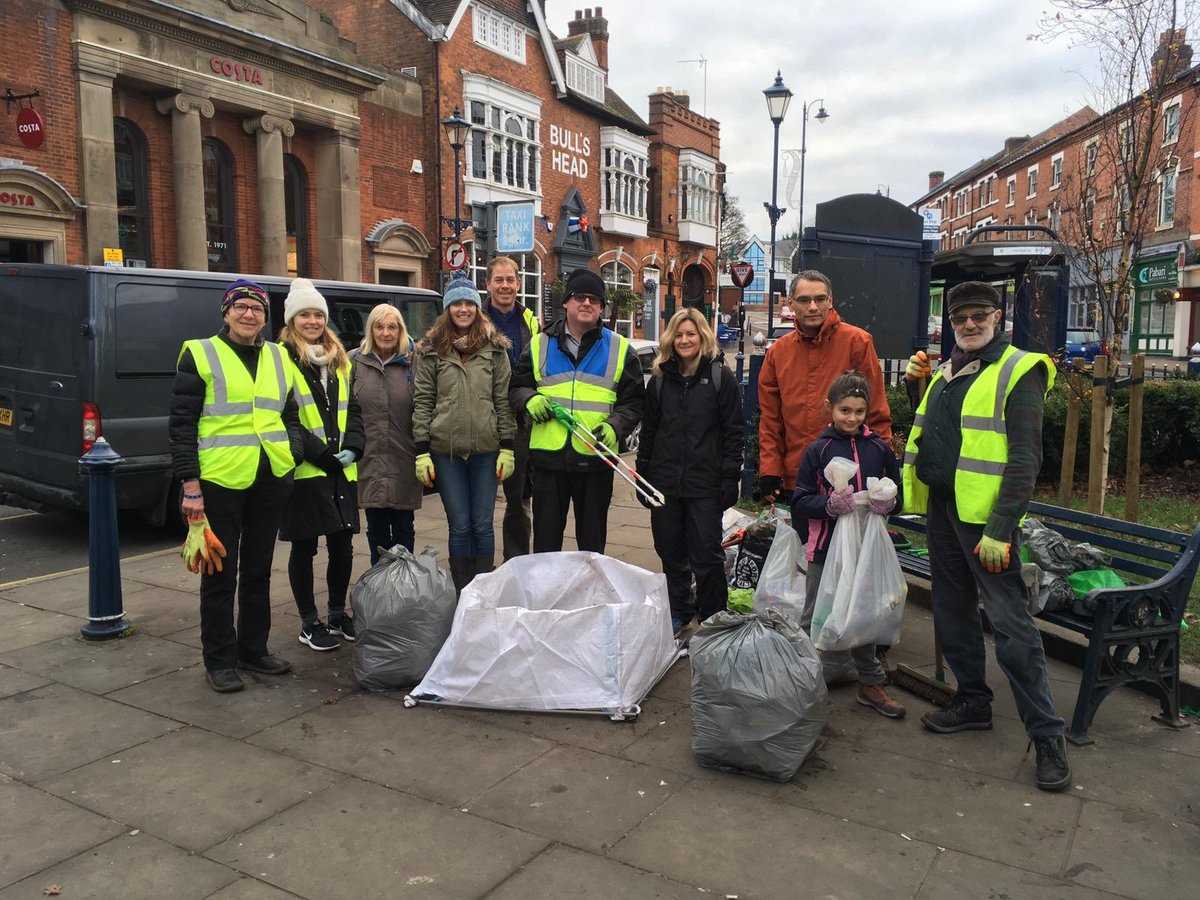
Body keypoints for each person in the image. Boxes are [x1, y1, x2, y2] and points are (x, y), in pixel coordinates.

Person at [902, 280, 1070, 792]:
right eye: (960, 317)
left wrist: (1001, 527)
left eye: (979, 315)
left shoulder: (1018, 369)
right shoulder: (949, 369)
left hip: (986, 525)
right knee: (952, 609)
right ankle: (973, 700)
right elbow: (940, 430)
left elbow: (1025, 458)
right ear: (950, 322)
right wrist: (916, 386)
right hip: (944, 510)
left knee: (1011, 626)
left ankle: (1046, 736)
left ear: (999, 317)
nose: (970, 324)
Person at [169, 279, 303, 693]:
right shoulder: (200, 353)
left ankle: (253, 649)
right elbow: (182, 426)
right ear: (226, 313)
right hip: (219, 479)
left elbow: (292, 415)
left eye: (257, 309)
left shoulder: (280, 356)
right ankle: (220, 660)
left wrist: (293, 454)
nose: (249, 315)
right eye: (241, 307)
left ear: (267, 316)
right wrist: (190, 485)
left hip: (270, 477)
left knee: (260, 569)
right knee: (220, 573)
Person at [791, 372, 905, 718]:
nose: (851, 418)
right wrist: (828, 506)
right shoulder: (819, 450)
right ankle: (800, 681)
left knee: (864, 612)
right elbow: (799, 500)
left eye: (858, 411)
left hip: (865, 547)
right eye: (844, 410)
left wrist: (887, 502)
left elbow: (897, 494)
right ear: (831, 408)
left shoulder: (878, 449)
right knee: (814, 613)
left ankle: (870, 683)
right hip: (826, 546)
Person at [509, 268, 644, 554]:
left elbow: (633, 402)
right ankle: (548, 597)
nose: (586, 303)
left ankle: (590, 596)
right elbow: (516, 387)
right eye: (579, 297)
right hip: (548, 461)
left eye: (594, 299)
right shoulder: (538, 344)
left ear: (601, 308)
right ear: (566, 303)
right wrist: (529, 399)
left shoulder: (621, 349)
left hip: (595, 459)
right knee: (546, 545)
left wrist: (614, 427)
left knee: (592, 547)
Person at [637, 308, 743, 634]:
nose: (684, 340)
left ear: (702, 337)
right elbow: (649, 432)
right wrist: (642, 476)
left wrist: (730, 478)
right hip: (665, 482)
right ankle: (679, 611)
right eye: (679, 335)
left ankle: (713, 619)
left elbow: (733, 432)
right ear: (671, 338)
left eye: (691, 334)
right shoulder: (658, 381)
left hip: (704, 484)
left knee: (706, 556)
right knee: (669, 551)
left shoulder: (719, 378)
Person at [412, 277, 516, 592]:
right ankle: (461, 591)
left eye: (469, 303)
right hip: (447, 453)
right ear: (447, 309)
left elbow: (503, 400)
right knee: (460, 526)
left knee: (482, 525)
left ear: (477, 308)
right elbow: (423, 401)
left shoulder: (496, 350)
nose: (463, 309)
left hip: (486, 452)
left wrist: (508, 446)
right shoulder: (431, 351)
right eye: (456, 303)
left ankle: (482, 591)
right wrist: (422, 451)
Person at [277, 278, 364, 652]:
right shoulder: (279, 358)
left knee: (343, 547)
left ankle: (336, 613)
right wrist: (324, 455)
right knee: (304, 548)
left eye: (317, 315)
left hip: (341, 470)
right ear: (292, 320)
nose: (312, 321)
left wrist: (355, 447)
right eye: (304, 315)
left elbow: (354, 409)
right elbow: (286, 417)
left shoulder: (339, 359)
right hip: (306, 471)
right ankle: (309, 621)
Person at [758, 270, 892, 502]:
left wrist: (883, 465)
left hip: (850, 476)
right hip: (797, 476)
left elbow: (876, 409)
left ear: (830, 301)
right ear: (791, 304)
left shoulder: (857, 342)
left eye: (820, 299)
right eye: (804, 300)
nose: (812, 307)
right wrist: (770, 470)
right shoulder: (778, 352)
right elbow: (771, 419)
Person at [350, 303, 422, 564]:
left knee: (404, 526)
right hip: (369, 457)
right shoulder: (354, 361)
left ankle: (404, 582)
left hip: (404, 455)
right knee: (377, 529)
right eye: (379, 326)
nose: (386, 333)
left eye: (392, 326)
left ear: (400, 330)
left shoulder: (414, 363)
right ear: (371, 329)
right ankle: (379, 585)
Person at [481, 255, 540, 560]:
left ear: (518, 283)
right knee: (479, 502)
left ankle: (514, 563)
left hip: (519, 422)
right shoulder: (472, 320)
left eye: (510, 280)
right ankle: (479, 568)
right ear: (487, 283)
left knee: (518, 499)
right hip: (481, 419)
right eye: (499, 280)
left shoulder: (531, 321)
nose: (505, 286)